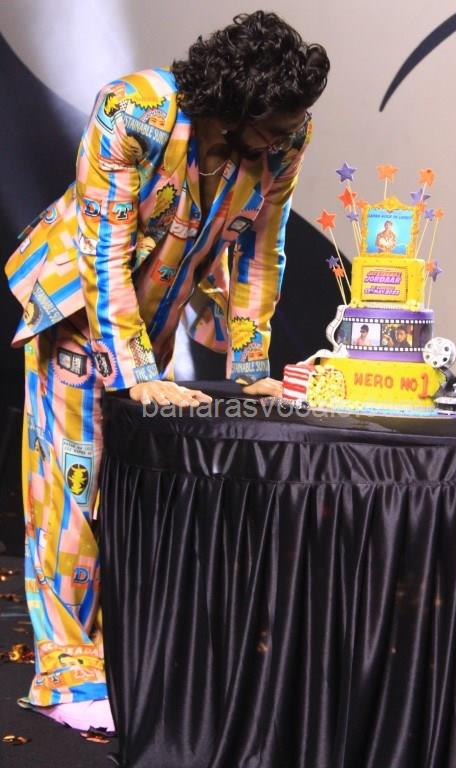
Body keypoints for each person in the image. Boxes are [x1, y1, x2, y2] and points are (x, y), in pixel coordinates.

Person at [4, 10, 329, 731]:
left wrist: (249, 363)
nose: (289, 137)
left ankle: (118, 651)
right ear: (238, 104)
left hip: (156, 308)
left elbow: (261, 249)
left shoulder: (284, 138)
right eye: (276, 124)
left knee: (125, 484)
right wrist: (132, 371)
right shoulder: (136, 111)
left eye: (293, 125)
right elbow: (102, 251)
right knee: (72, 480)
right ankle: (67, 674)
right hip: (77, 308)